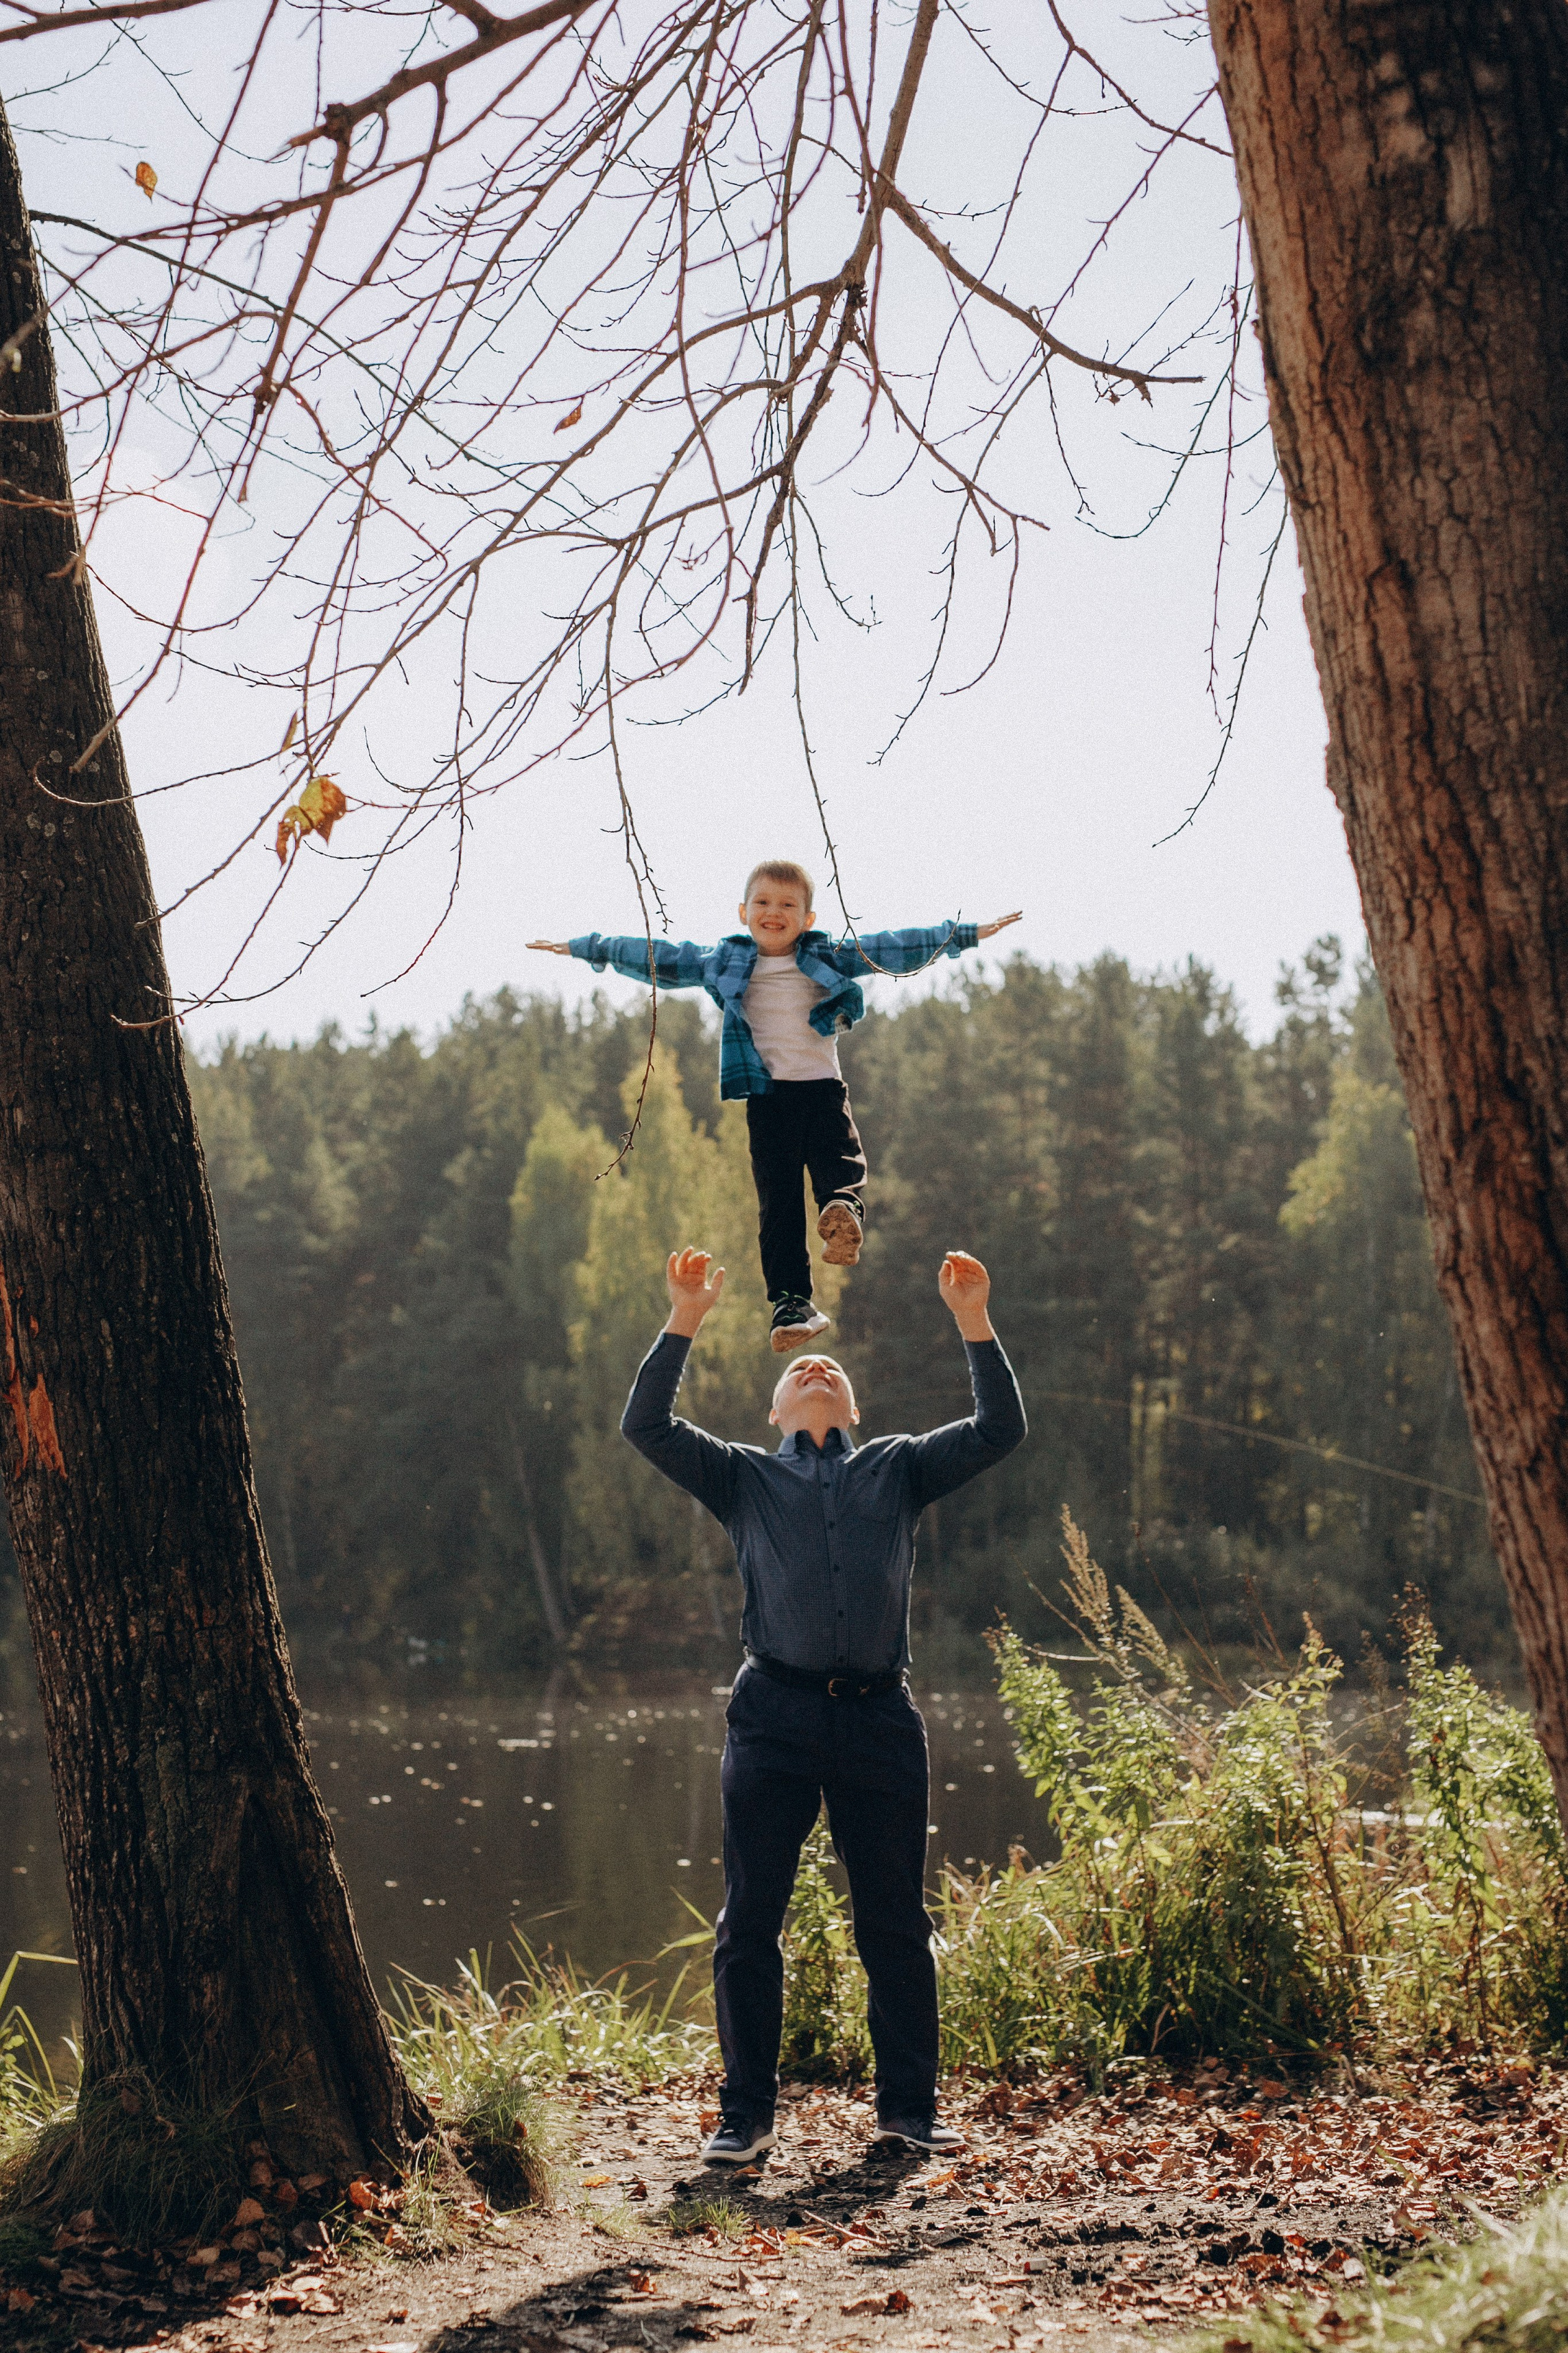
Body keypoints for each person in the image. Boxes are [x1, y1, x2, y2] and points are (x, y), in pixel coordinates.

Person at [620, 1242, 1025, 2164]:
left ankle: (908, 2114)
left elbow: (999, 1429)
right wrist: (684, 1316)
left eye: (831, 1367)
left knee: (893, 1920)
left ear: (852, 1408)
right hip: (773, 1717)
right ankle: (746, 2116)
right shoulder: (744, 1479)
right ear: (773, 1410)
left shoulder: (898, 1468)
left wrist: (974, 1322)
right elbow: (645, 1425)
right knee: (749, 1919)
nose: (816, 1365)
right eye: (802, 1365)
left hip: (881, 1720)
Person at [527, 863, 1021, 1352]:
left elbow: (892, 946)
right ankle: (791, 1304)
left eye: (788, 905)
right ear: (744, 912)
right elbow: (657, 957)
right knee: (778, 1204)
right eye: (763, 903)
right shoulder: (721, 960)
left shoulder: (825, 953)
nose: (774, 912)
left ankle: (842, 1212)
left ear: (807, 919)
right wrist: (587, 948)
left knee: (842, 1162)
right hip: (767, 1100)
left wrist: (964, 935)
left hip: (823, 1088)